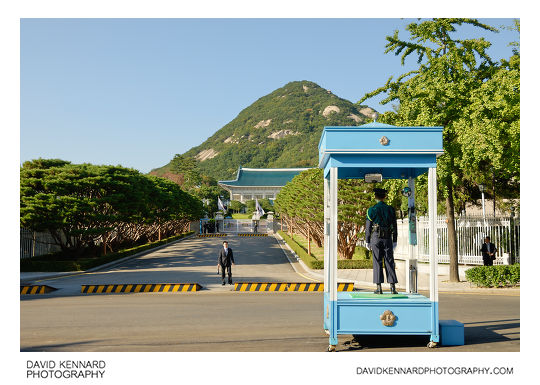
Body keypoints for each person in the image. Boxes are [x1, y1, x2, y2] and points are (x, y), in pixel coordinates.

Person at [365, 188, 398, 294]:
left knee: (377, 261)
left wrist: (367, 240)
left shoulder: (371, 210)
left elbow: (368, 226)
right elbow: (394, 225)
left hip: (376, 237)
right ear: (384, 197)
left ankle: (379, 288)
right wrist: (395, 239)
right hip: (387, 237)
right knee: (389, 260)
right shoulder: (390, 209)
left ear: (375, 197)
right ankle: (392, 287)